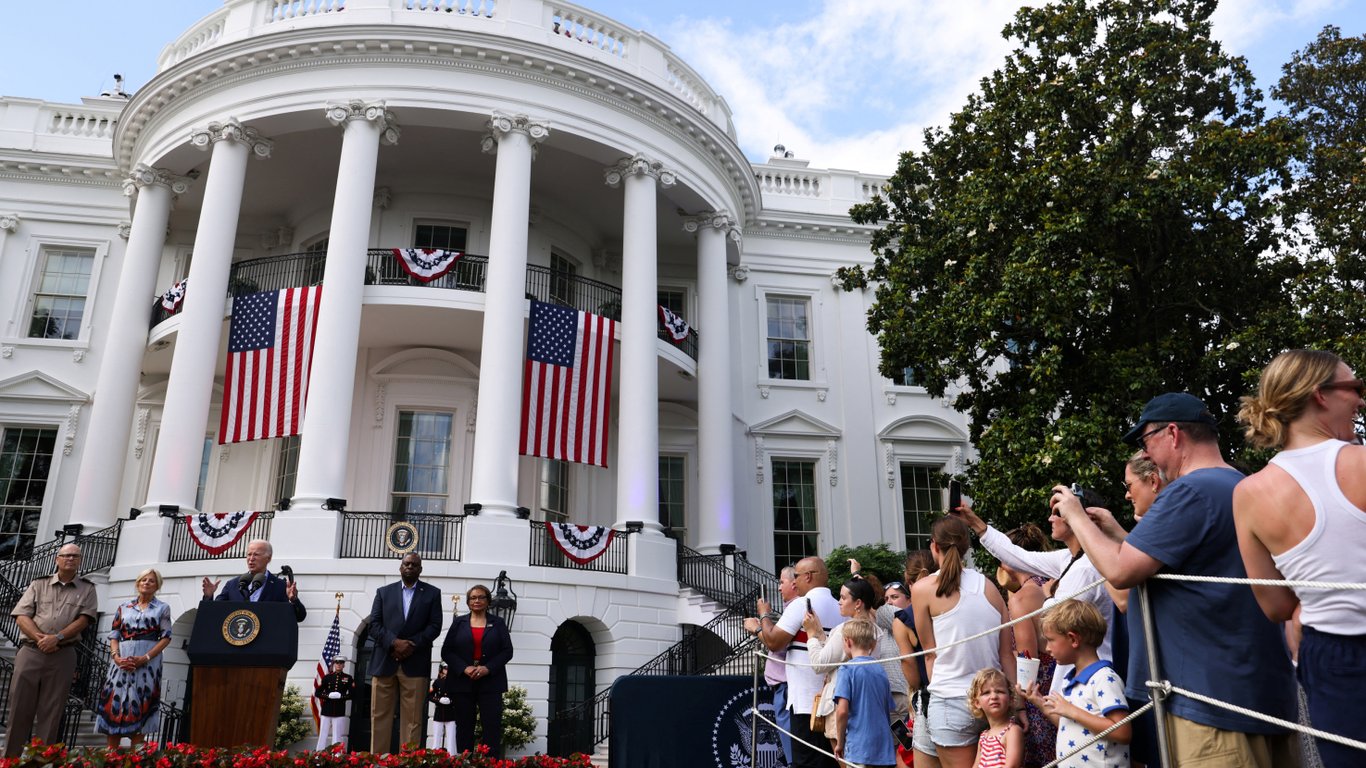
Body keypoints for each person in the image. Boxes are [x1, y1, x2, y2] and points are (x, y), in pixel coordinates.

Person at [1055, 392, 1300, 768]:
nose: (1147, 455)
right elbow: (1185, 562)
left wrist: (1075, 517)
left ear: (1172, 433)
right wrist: (1120, 534)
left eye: (1145, 441)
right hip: (1260, 693)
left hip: (1209, 707)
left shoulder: (1188, 491)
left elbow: (1121, 572)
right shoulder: (1240, 484)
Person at [1234, 349, 1366, 767]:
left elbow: (1275, 605)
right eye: (1356, 388)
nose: (1361, 400)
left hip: (1328, 657)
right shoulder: (1362, 463)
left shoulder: (1250, 494)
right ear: (1320, 395)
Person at [949, 497, 1114, 692]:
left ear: (1082, 517)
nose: (1050, 519)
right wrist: (975, 522)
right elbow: (1019, 556)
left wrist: (1048, 596)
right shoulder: (1070, 557)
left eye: (1058, 513)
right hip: (1075, 677)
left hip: (1090, 682)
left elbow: (1056, 619)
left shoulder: (1085, 568)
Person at [912, 517, 1014, 768]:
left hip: (949, 700)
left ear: (934, 546)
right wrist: (1017, 705)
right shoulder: (990, 587)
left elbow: (929, 654)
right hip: (990, 699)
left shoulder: (923, 589)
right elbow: (1006, 654)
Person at [4, 543, 98, 758]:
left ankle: (42, 761)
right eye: (66, 555)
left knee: (52, 712)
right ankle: (10, 760)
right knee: (19, 709)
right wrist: (41, 639)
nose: (70, 559)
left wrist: (57, 638)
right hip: (31, 651)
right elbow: (21, 615)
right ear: (57, 559)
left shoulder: (88, 588)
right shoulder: (39, 584)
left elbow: (85, 619)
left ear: (80, 560)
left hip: (63, 654)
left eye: (75, 556)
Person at [749, 556, 844, 768]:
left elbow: (773, 642)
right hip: (834, 699)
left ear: (808, 577)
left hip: (805, 701)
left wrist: (764, 616)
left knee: (806, 761)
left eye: (798, 577)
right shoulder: (840, 607)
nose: (795, 582)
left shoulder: (801, 605)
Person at [1024, 601, 1130, 768]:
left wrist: (1072, 711)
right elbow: (1070, 725)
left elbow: (1122, 731)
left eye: (1051, 640)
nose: (1047, 648)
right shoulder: (1070, 679)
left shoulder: (1104, 678)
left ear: (1073, 639)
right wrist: (1041, 704)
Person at [804, 577, 908, 723]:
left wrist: (810, 635)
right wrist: (819, 632)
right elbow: (834, 655)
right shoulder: (876, 629)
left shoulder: (846, 630)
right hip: (866, 704)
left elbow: (819, 664)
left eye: (843, 597)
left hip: (842, 704)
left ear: (858, 603)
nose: (839, 602)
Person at [368, 553, 443, 754]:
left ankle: (408, 761)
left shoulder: (432, 593)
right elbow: (374, 625)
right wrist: (393, 643)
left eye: (414, 564)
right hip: (384, 662)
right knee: (379, 716)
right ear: (400, 567)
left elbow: (435, 626)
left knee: (413, 720)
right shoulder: (383, 592)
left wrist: (410, 645)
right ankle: (379, 761)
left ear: (420, 569)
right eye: (406, 563)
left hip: (415, 662)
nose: (410, 567)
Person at [996, 525, 1055, 768]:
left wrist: (1020, 705)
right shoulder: (1053, 583)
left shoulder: (1021, 599)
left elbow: (1027, 658)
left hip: (1039, 691)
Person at [96, 568, 173, 748]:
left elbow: (166, 637)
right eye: (143, 579)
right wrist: (116, 657)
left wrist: (145, 658)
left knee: (141, 704)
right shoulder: (123, 607)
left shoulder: (162, 608)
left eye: (151, 581)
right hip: (121, 662)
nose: (146, 583)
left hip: (148, 663)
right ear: (138, 583)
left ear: (157, 586)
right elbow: (114, 634)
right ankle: (110, 756)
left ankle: (136, 757)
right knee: (114, 703)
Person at [442, 583, 514, 757]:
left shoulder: (498, 623)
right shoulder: (458, 623)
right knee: (465, 725)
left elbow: (507, 651)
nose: (477, 601)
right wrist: (464, 668)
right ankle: (465, 760)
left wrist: (487, 668)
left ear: (488, 601)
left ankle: (491, 762)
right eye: (473, 598)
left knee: (491, 726)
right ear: (468, 602)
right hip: (462, 683)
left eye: (481, 597)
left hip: (491, 682)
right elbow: (446, 651)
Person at [889, 551, 940, 768]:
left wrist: (916, 687)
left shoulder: (903, 620)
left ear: (908, 581)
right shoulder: (953, 603)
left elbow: (908, 664)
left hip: (929, 694)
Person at [744, 565, 799, 765]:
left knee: (792, 743)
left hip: (786, 685)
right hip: (784, 685)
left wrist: (760, 621)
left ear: (794, 583)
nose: (778, 588)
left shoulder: (795, 608)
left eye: (781, 582)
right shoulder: (791, 609)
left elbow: (776, 643)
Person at [831, 617, 898, 768]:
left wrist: (840, 743)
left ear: (848, 642)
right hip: (883, 750)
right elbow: (888, 710)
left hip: (859, 749)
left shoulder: (847, 669)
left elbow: (842, 711)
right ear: (873, 645)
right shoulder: (881, 670)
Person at [200, 538, 306, 622]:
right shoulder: (233, 584)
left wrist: (294, 600)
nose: (251, 559)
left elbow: (299, 617)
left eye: (256, 554)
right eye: (249, 554)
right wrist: (208, 597)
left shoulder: (280, 586)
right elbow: (213, 614)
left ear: (268, 558)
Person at [967, 668, 1022, 768]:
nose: (994, 696)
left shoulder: (1012, 731)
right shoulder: (984, 736)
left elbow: (1012, 766)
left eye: (1000, 691)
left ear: (1010, 699)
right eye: (986, 693)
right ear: (977, 703)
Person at [315, 655, 356, 751]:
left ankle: (337, 755)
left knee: (337, 736)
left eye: (341, 663)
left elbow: (353, 694)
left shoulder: (348, 678)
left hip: (339, 710)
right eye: (337, 663)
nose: (338, 665)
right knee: (323, 734)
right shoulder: (327, 678)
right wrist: (328, 695)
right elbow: (318, 692)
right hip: (326, 710)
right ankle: (319, 753)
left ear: (343, 665)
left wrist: (341, 696)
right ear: (334, 664)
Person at [428, 664, 458, 753]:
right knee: (436, 738)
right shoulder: (436, 682)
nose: (447, 671)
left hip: (451, 713)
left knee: (451, 738)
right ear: (441, 670)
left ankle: (452, 756)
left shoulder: (455, 682)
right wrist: (439, 699)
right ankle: (434, 758)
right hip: (439, 713)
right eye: (445, 669)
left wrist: (451, 700)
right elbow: (429, 695)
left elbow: (458, 695)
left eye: (448, 669)